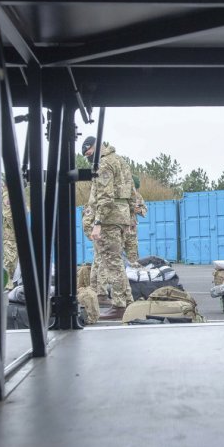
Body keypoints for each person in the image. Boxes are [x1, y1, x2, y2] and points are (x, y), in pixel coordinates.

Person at [81, 136, 135, 320]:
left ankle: (119, 306)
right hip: (120, 217)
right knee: (116, 261)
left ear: (95, 147)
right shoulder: (120, 160)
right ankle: (127, 302)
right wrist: (130, 219)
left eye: (88, 151)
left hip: (109, 219)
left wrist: (97, 223)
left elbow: (105, 196)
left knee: (112, 263)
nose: (87, 155)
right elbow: (132, 192)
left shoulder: (103, 164)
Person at [123, 174, 147, 264]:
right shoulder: (119, 194)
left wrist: (139, 210)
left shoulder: (138, 196)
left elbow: (144, 209)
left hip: (132, 231)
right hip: (119, 229)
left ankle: (134, 276)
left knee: (133, 257)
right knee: (116, 256)